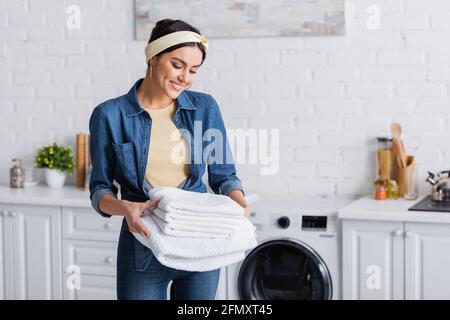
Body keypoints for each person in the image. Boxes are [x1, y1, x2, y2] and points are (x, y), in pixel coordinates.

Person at [88, 19, 250, 300]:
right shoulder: (109, 115)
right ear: (153, 57)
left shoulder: (204, 107)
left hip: (201, 245)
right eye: (177, 65)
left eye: (193, 70)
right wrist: (125, 208)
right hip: (143, 245)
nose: (185, 78)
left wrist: (239, 202)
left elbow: (224, 176)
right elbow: (100, 189)